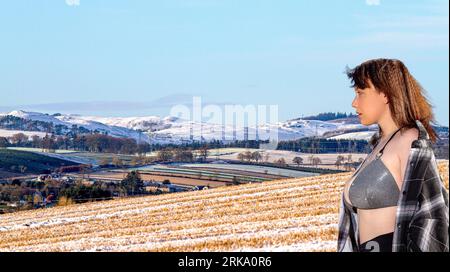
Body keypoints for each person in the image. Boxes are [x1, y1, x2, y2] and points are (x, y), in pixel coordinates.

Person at [337, 58, 449, 252]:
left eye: (360, 93)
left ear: (386, 94)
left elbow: (432, 215)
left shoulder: (410, 141)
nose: (354, 103)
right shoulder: (380, 144)